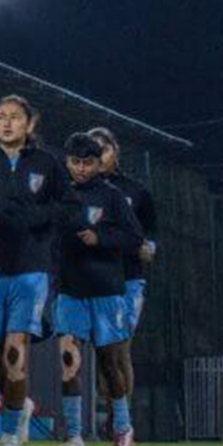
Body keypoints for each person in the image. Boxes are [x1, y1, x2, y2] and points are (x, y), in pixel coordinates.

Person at [0, 95, 67, 446]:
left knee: (16, 350)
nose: (7, 123)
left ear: (30, 124)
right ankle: (22, 405)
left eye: (15, 117)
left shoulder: (47, 163)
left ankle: (9, 435)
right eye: (0, 117)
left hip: (31, 269)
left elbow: (69, 205)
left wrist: (37, 218)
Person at [54, 131, 144, 446]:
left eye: (87, 163)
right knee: (69, 361)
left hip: (107, 292)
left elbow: (135, 238)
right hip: (69, 291)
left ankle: (123, 429)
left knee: (110, 364)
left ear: (97, 163)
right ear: (67, 161)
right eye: (75, 162)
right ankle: (74, 436)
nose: (80, 169)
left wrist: (101, 238)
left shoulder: (112, 196)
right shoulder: (59, 193)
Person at [89, 128, 158, 337]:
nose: (100, 156)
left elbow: (152, 227)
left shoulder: (136, 191)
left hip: (128, 278)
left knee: (119, 345)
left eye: (105, 149)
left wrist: (151, 246)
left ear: (115, 151)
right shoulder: (74, 192)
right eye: (93, 150)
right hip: (90, 278)